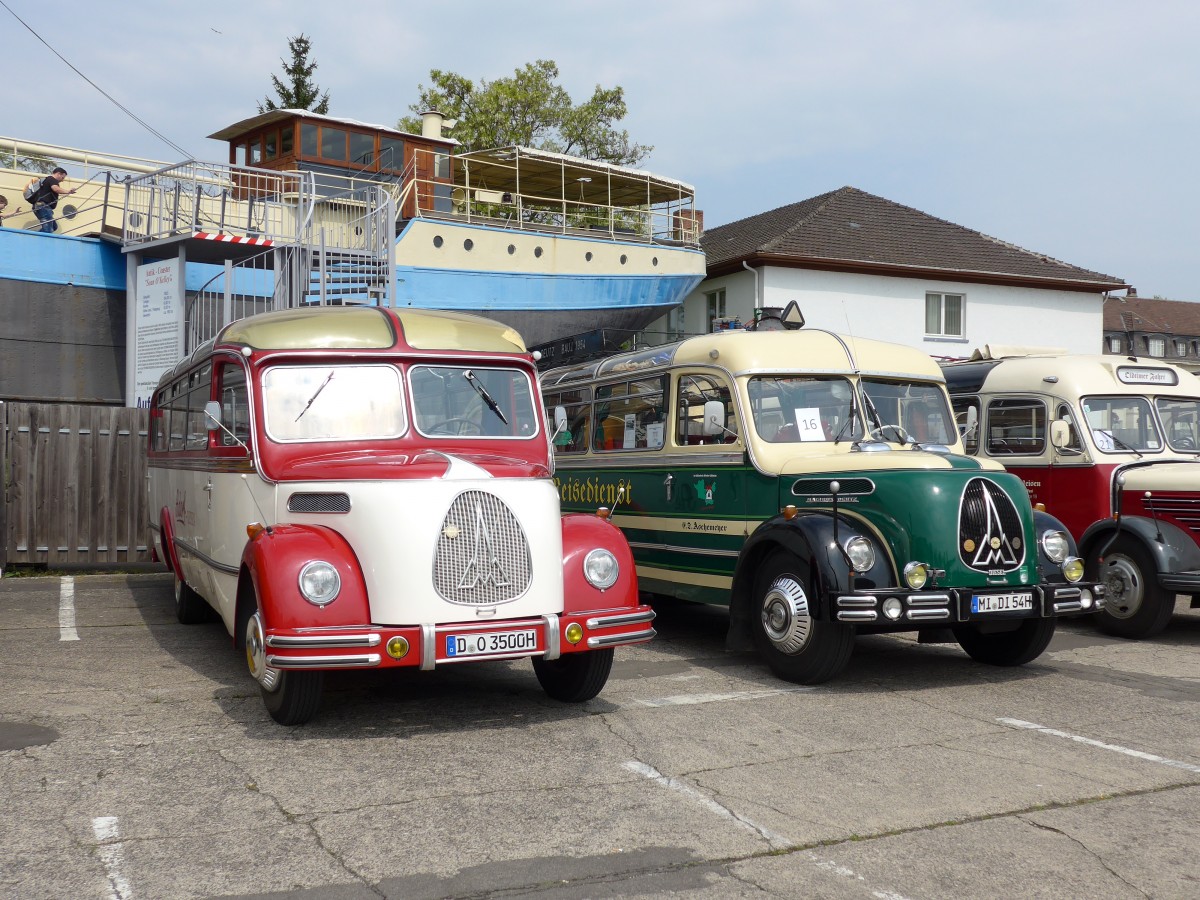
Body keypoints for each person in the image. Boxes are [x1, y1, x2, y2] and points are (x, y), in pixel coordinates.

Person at [31, 167, 76, 233]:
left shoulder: (47, 180)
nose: (62, 180)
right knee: (48, 230)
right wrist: (68, 191)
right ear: (58, 174)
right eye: (62, 178)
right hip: (43, 207)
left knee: (54, 227)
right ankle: (35, 237)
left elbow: (55, 191)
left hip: (41, 206)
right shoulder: (52, 179)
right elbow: (56, 189)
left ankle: (37, 235)